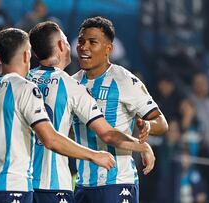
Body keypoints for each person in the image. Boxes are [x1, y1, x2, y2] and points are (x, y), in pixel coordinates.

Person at [0, 27, 115, 203]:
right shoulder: (24, 88)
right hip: (14, 188)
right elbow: (51, 139)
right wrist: (94, 155)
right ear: (27, 55)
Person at [27, 21, 155, 203]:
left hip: (20, 184)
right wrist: (142, 146)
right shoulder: (73, 85)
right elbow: (107, 134)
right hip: (54, 186)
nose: (81, 47)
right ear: (61, 46)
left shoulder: (22, 82)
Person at [73, 16, 168, 203]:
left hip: (117, 183)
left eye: (93, 42)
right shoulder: (72, 83)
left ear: (109, 49)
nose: (84, 47)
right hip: (82, 184)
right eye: (81, 41)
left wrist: (148, 126)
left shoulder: (124, 80)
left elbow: (162, 123)